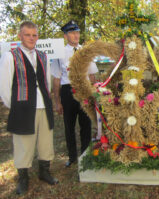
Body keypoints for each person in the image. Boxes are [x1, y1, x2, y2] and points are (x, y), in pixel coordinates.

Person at [0, 21, 58, 195]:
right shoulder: (10, 56)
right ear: (20, 36)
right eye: (27, 35)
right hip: (23, 106)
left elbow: (46, 81)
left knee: (45, 141)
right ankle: (23, 178)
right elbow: (4, 85)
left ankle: (44, 171)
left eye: (34, 35)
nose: (31, 38)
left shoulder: (42, 55)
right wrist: (15, 105)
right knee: (23, 143)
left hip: (43, 105)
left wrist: (48, 99)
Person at [51, 20, 98, 167]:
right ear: (65, 36)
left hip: (84, 90)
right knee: (69, 126)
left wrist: (94, 94)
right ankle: (72, 157)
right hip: (68, 91)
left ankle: (84, 156)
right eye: (72, 33)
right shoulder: (59, 54)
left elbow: (92, 75)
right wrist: (57, 101)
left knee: (86, 125)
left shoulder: (85, 51)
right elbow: (56, 79)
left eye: (77, 32)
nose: (76, 35)